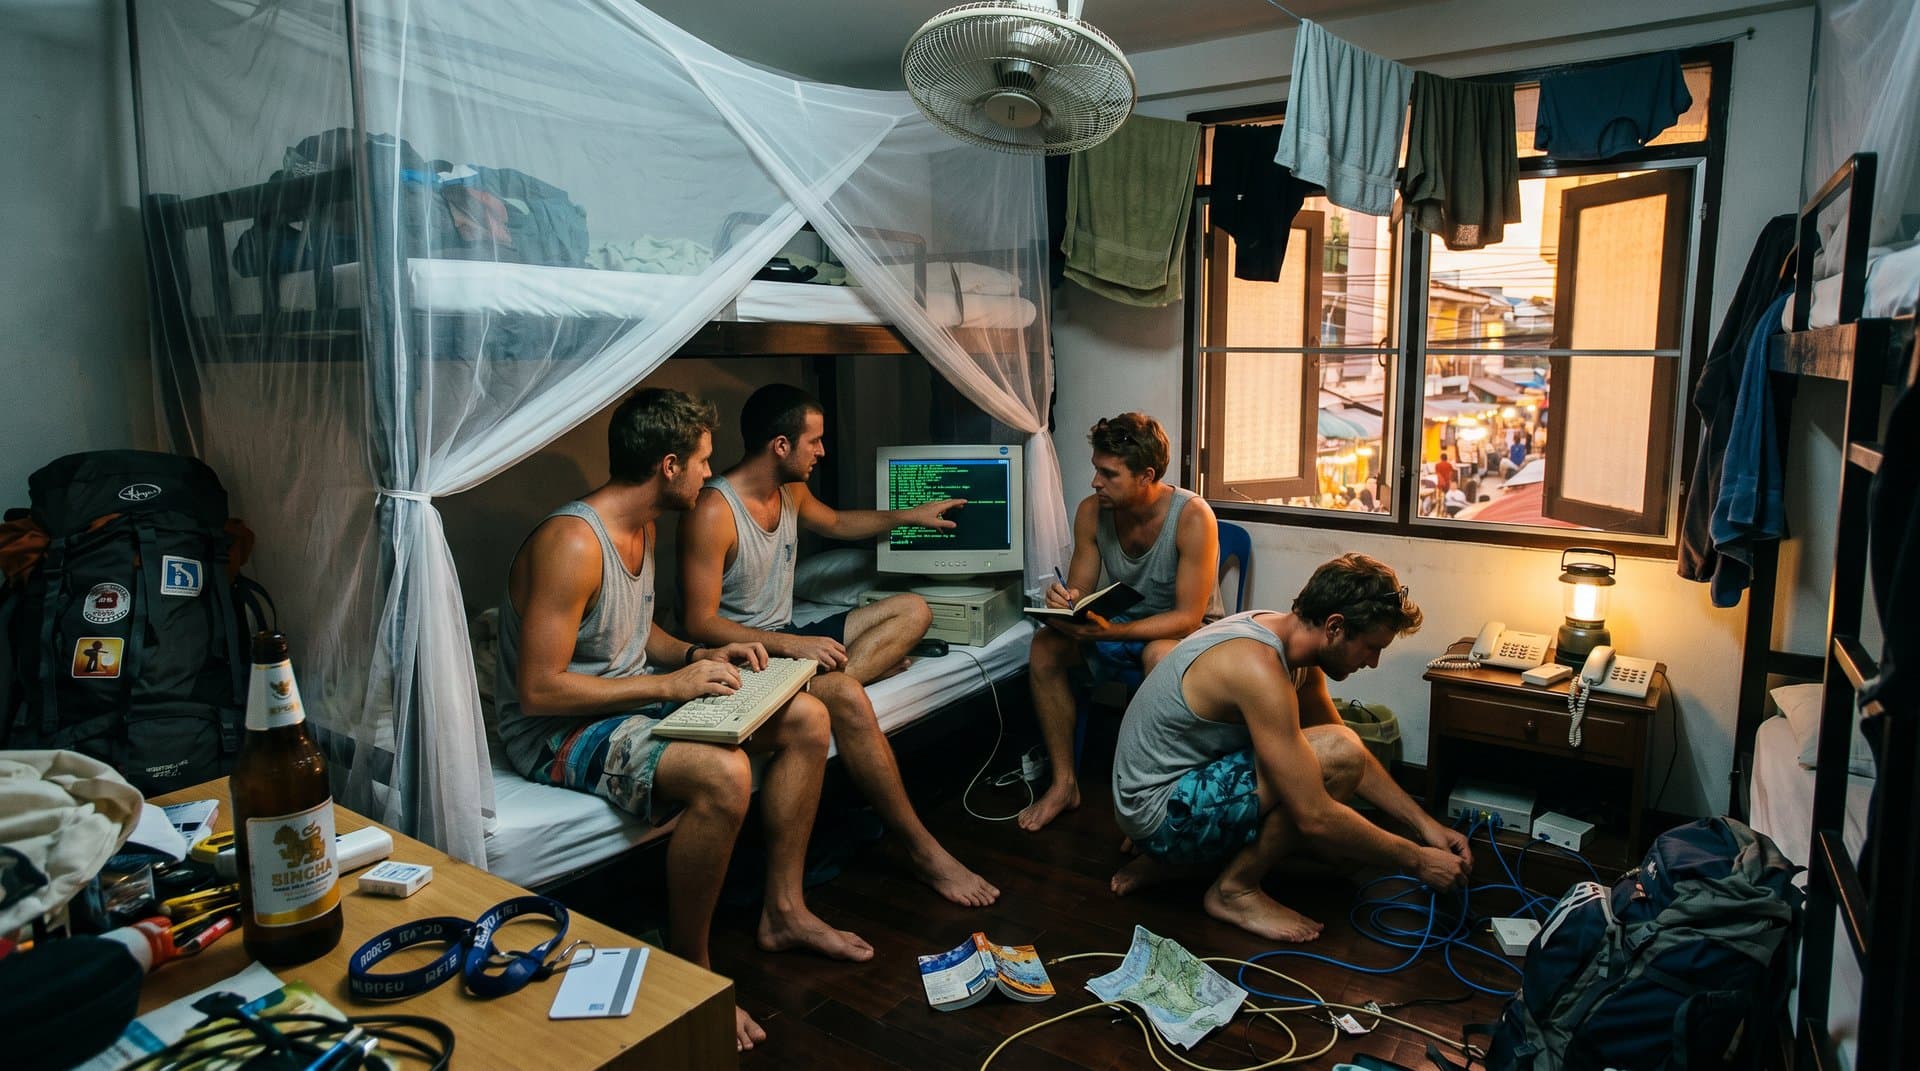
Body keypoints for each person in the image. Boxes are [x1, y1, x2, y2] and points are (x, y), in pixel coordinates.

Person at [496, 387, 871, 1053]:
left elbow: (637, 638)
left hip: (621, 700)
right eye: (701, 460)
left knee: (809, 717)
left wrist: (699, 653)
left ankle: (783, 910)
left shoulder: (643, 525)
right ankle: (692, 966)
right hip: (555, 732)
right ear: (668, 465)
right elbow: (538, 691)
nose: (710, 472)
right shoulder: (574, 543)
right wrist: (672, 682)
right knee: (724, 774)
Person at [678, 384, 999, 907]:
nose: (823, 451)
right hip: (748, 653)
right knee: (848, 699)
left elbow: (841, 523)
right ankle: (923, 852)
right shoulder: (715, 511)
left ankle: (826, 683)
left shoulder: (790, 492)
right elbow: (699, 622)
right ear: (780, 446)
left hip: (788, 638)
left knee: (914, 609)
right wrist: (790, 646)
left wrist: (907, 516)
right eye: (815, 441)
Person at [1108, 554, 1472, 941]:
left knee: (1341, 859)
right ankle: (1234, 890)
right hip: (1159, 812)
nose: (1374, 662)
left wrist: (1424, 825)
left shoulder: (1290, 641)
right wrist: (1418, 861)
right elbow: (1315, 808)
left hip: (1168, 793)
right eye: (1370, 647)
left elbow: (1345, 754)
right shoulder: (1258, 665)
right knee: (1332, 804)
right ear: (1335, 627)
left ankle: (1177, 865)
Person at [1019, 412, 1221, 833]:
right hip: (1123, 620)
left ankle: (1152, 797)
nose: (1095, 482)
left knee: (1159, 654)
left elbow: (1186, 619)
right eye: (1096, 469)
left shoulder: (1192, 516)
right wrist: (1066, 601)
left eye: (1109, 474)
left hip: (1184, 632)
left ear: (1146, 475)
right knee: (1045, 646)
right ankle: (1064, 783)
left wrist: (1111, 631)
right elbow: (1079, 588)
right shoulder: (1092, 512)